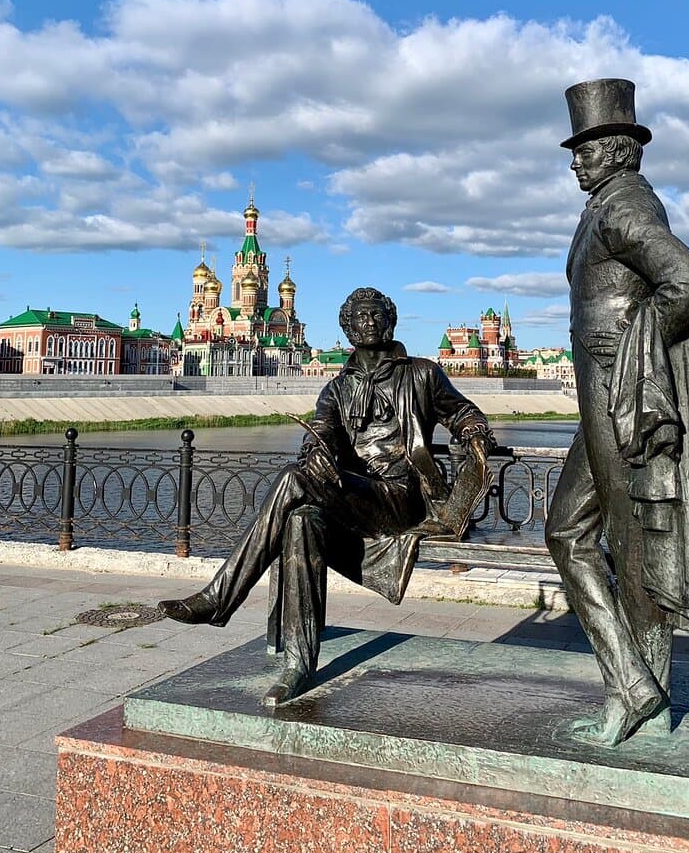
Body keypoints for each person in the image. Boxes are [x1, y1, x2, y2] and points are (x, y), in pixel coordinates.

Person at [159, 286, 494, 707]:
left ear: (390, 322)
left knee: (291, 480)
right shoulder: (335, 390)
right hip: (351, 498)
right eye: (360, 316)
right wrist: (317, 454)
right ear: (348, 328)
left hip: (401, 499)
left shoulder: (422, 374)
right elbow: (321, 434)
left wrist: (474, 432)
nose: (369, 322)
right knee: (301, 521)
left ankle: (219, 598)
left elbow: (462, 411)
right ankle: (298, 666)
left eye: (377, 314)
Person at [545, 79, 689, 747]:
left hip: (620, 398)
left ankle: (640, 697)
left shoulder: (623, 206)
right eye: (575, 151)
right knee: (567, 532)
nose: (576, 161)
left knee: (632, 547)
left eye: (587, 149)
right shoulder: (603, 206)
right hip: (602, 398)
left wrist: (633, 347)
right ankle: (636, 684)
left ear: (620, 150)